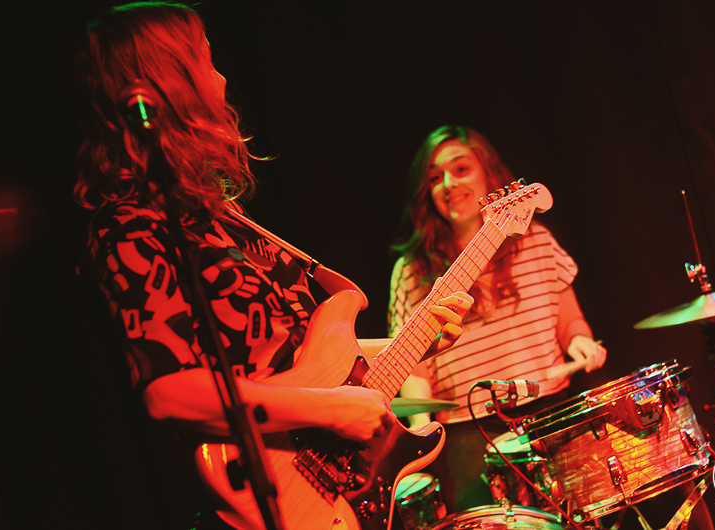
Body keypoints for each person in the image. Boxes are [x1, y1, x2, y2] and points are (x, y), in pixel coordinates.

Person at [73, 4, 472, 529]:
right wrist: (330, 411)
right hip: (272, 486)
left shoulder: (215, 215)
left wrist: (412, 342)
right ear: (172, 83)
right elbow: (168, 390)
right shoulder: (127, 226)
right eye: (205, 60)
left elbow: (292, 357)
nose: (219, 77)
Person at [388, 125, 607, 514]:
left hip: (547, 413)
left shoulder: (536, 240)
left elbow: (570, 322)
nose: (448, 184)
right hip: (466, 432)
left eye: (461, 169)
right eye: (435, 178)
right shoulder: (410, 270)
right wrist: (421, 433)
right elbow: (413, 371)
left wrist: (580, 341)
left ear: (489, 174)